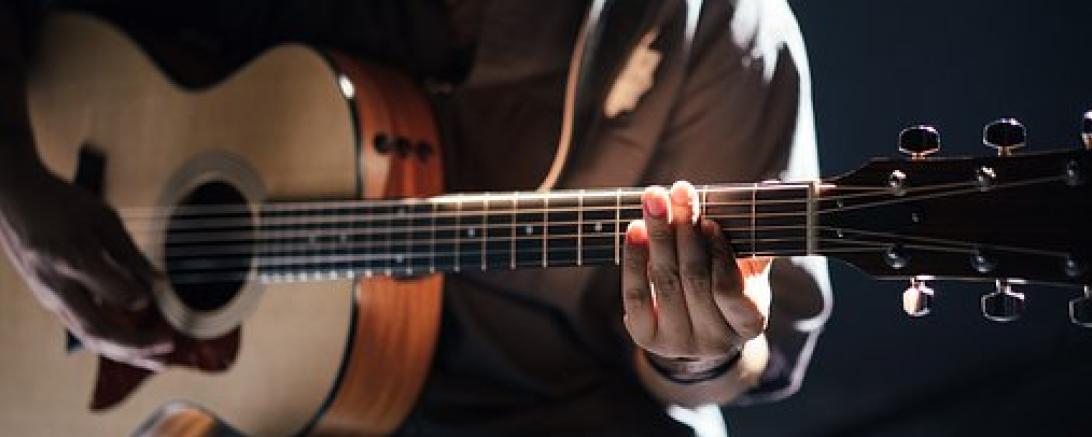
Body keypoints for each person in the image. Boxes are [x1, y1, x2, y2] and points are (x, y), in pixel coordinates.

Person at [0, 0, 831, 435]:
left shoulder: (724, 26)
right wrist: (16, 182)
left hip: (554, 414)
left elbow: (761, 347)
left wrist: (698, 348)